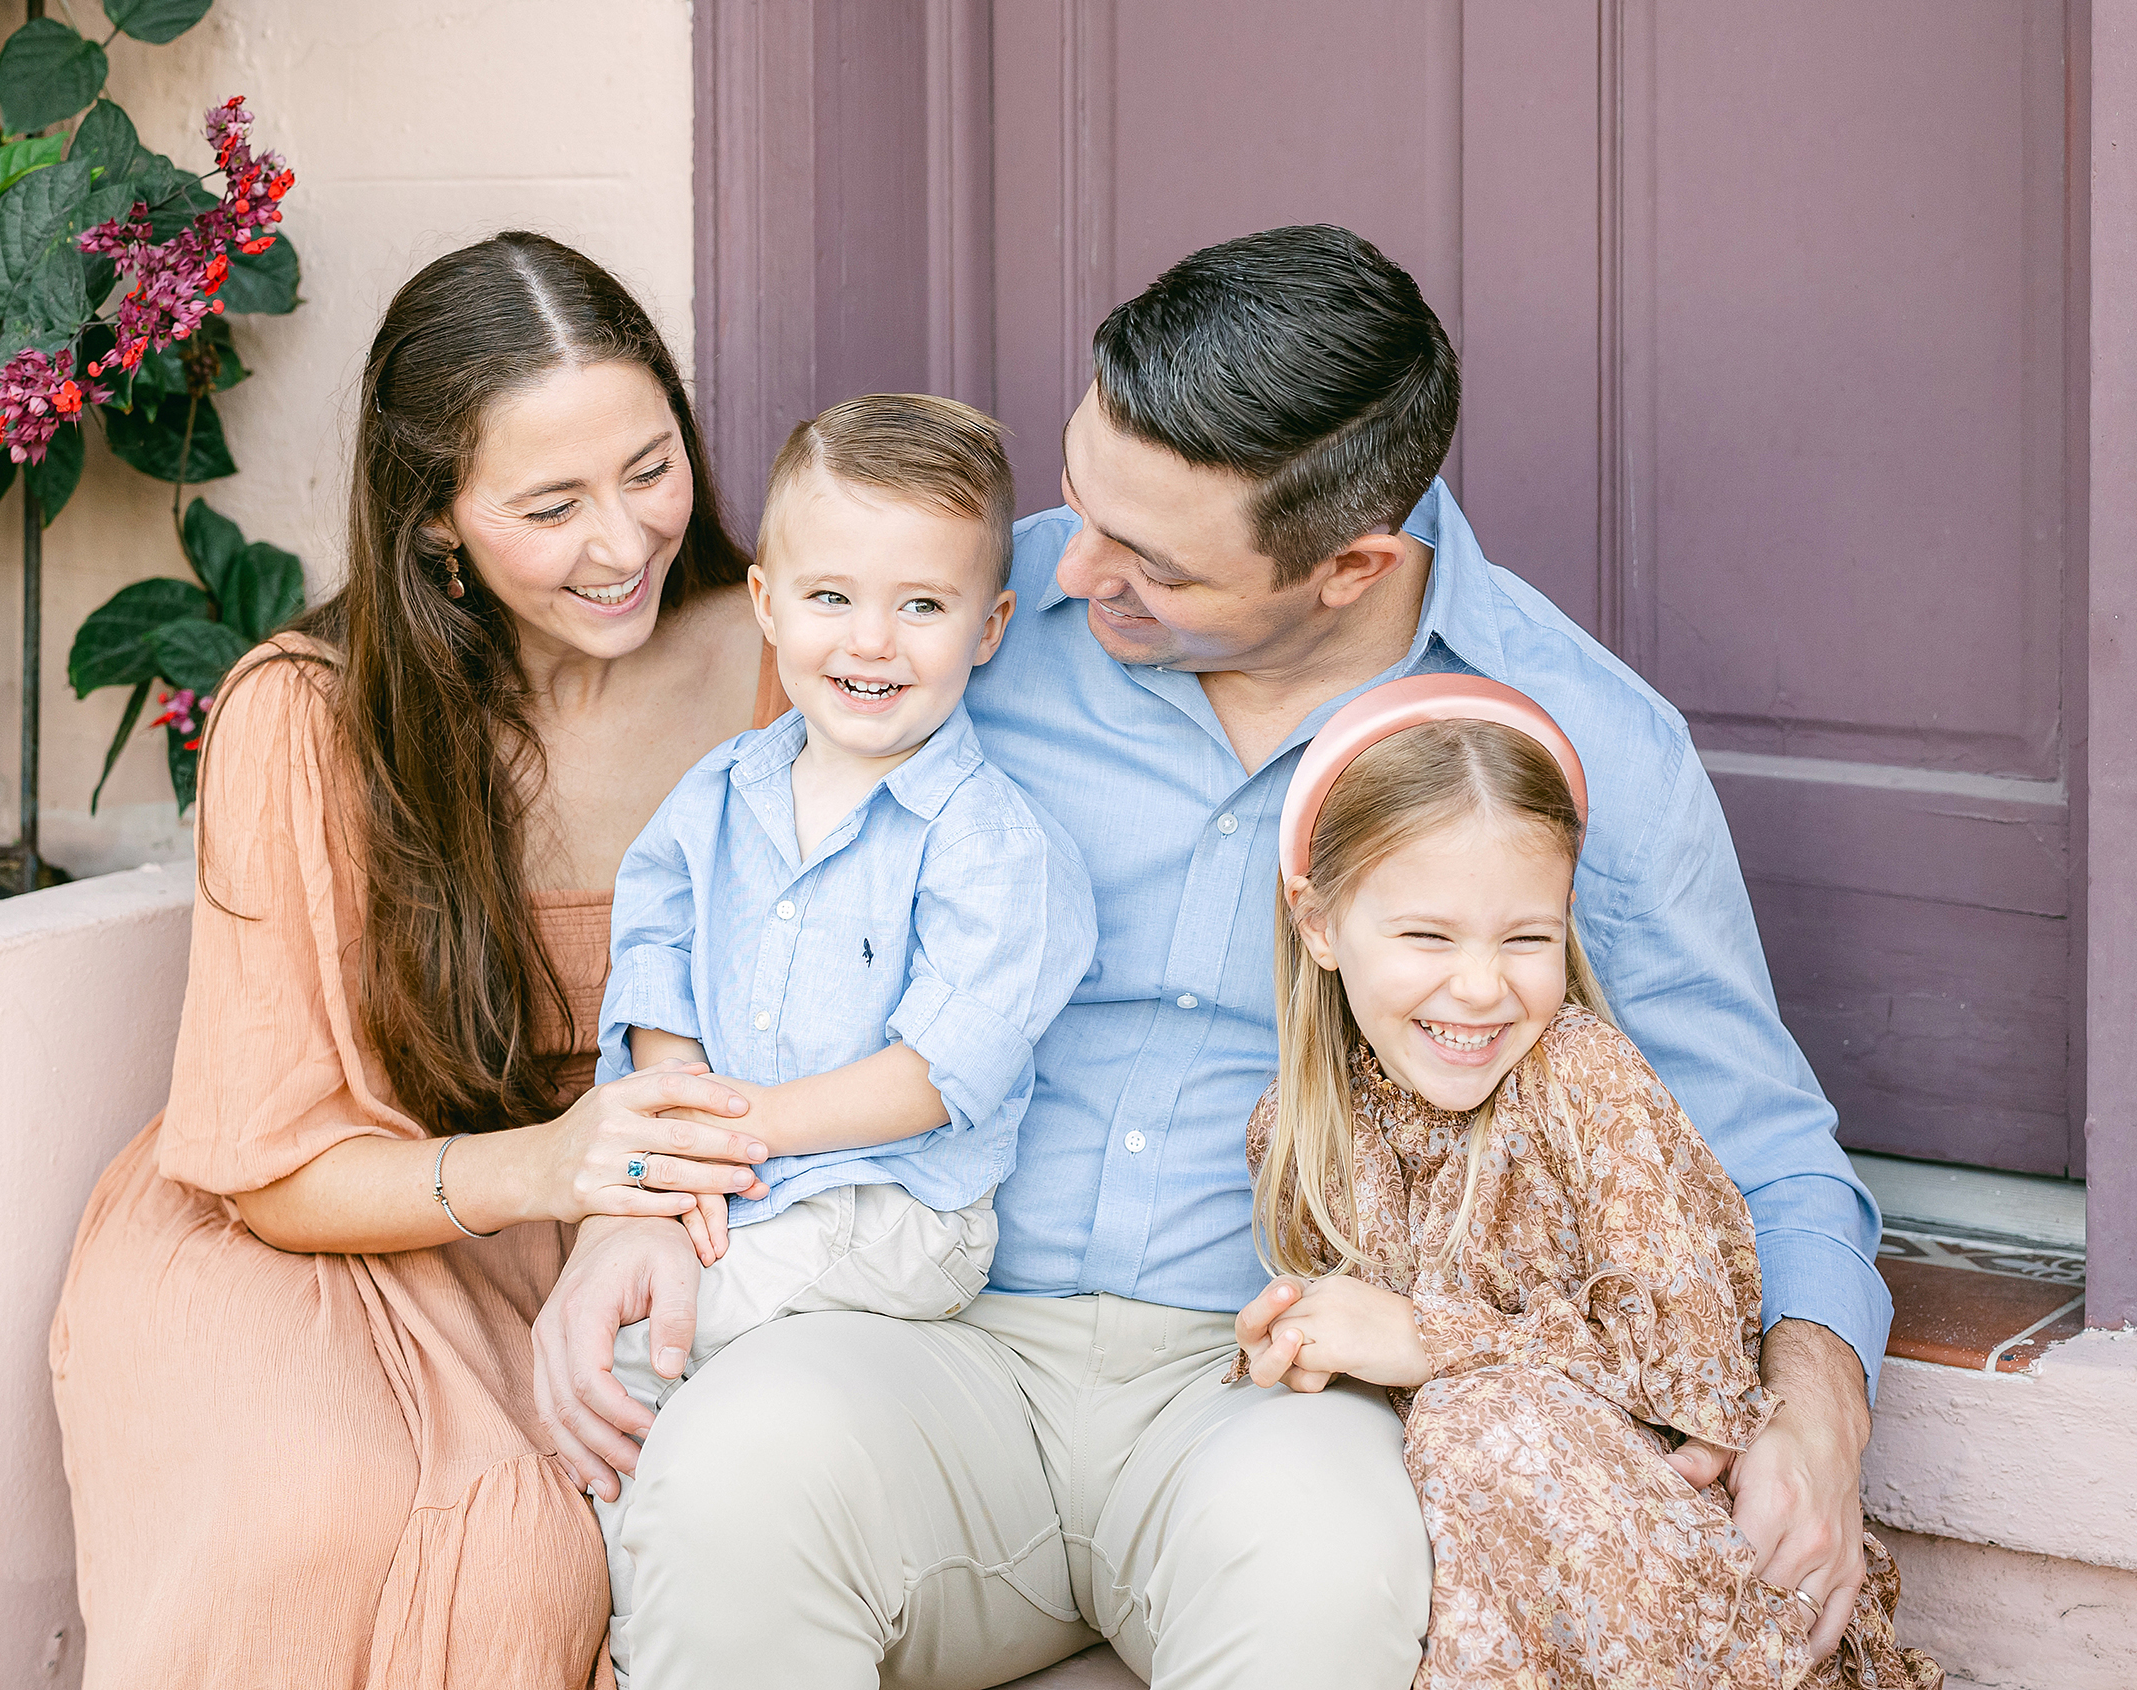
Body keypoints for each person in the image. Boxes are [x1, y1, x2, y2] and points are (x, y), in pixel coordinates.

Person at [534, 224, 1890, 1689]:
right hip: (929, 1325)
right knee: (727, 1491)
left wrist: (1816, 1411)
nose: (1077, 567)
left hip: (1270, 1380)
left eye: (1154, 563)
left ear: (1349, 564)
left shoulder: (1569, 736)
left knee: (1326, 1581)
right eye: (1080, 503)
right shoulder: (962, 614)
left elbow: (1761, 1141)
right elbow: (736, 886)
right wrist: (641, 1206)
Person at [48, 231, 793, 1690]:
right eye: (549, 505)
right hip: (329, 1221)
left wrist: (630, 1192)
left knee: (540, 1553)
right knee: (316, 1513)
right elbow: (267, 1162)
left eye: (650, 469)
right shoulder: (309, 714)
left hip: (641, 1231)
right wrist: (551, 1165)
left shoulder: (785, 655)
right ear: (438, 522)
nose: (624, 540)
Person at [1236, 673, 1935, 1690]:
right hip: (1496, 1581)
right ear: (1319, 924)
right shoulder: (1302, 1131)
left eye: (1526, 938)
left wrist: (1422, 1337)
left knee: (1479, 1421)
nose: (1480, 986)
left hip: (1683, 1566)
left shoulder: (1582, 1079)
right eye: (1428, 936)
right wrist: (1307, 1341)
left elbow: (1693, 1384)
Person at [589, 393, 1097, 1679]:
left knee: (672, 1330)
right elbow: (655, 953)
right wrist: (679, 1112)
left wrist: (741, 1136)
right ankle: (637, 1604)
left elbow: (942, 1071)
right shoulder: (722, 793)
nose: (871, 642)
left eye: (921, 607)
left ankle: (657, 1625)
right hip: (737, 1181)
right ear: (766, 603)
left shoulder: (994, 842)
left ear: (986, 629)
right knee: (629, 1338)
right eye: (830, 599)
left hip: (892, 1205)